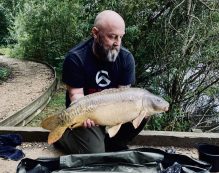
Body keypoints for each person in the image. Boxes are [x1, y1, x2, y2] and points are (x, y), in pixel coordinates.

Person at [56, 10, 147, 154]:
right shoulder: (75, 58)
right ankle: (63, 135)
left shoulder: (126, 59)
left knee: (143, 110)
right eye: (112, 37)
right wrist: (85, 115)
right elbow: (76, 95)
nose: (117, 43)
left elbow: (124, 96)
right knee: (94, 153)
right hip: (85, 115)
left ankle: (114, 143)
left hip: (111, 112)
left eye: (121, 37)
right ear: (95, 33)